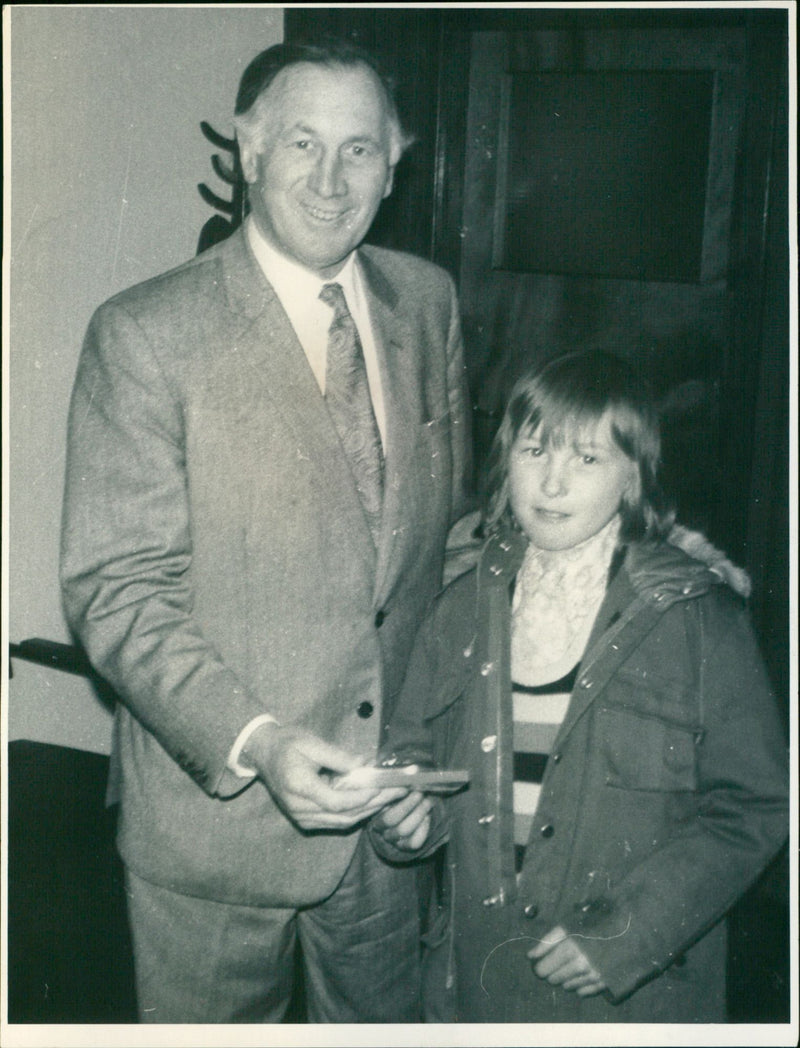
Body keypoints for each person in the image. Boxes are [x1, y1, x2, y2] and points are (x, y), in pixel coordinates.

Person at [59, 41, 471, 1023]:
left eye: (360, 150)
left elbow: (440, 547)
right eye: (301, 143)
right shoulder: (146, 333)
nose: (331, 182)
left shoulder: (427, 301)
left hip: (384, 827)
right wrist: (259, 742)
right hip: (216, 830)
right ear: (248, 151)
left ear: (394, 163)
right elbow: (116, 590)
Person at [372, 350, 789, 1023]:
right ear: (508, 461)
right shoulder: (460, 606)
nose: (553, 484)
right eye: (535, 451)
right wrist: (403, 818)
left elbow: (755, 807)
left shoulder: (697, 618)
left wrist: (634, 930)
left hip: (629, 996)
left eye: (586, 459)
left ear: (633, 477)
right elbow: (413, 753)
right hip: (478, 988)